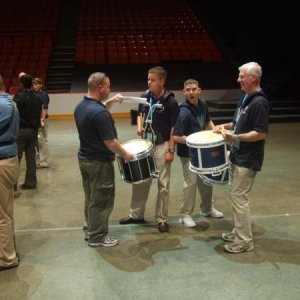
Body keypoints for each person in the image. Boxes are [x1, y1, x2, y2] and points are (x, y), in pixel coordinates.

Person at [214, 62, 270, 253]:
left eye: (241, 76)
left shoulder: (259, 102)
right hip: (238, 154)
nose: (238, 79)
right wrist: (225, 126)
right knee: (235, 195)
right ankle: (238, 231)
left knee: (240, 198)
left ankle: (244, 241)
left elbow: (261, 133)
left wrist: (235, 137)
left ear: (253, 78)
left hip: (248, 158)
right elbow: (239, 122)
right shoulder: (246, 97)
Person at [74, 72, 133, 247]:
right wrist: (125, 154)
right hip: (99, 163)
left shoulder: (81, 106)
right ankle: (98, 237)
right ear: (100, 88)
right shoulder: (100, 113)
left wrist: (111, 102)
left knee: (91, 197)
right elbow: (111, 142)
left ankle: (90, 228)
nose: (109, 88)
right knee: (102, 200)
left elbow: (97, 113)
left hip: (85, 160)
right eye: (107, 86)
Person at [119, 66, 180, 232]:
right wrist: (139, 126)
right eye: (148, 79)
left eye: (152, 80)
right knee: (141, 181)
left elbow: (174, 127)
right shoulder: (144, 97)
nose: (149, 82)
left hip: (162, 146)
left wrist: (171, 150)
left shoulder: (171, 101)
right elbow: (140, 114)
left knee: (163, 183)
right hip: (146, 145)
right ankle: (136, 215)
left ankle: (161, 219)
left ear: (162, 81)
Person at [173, 79, 223, 228]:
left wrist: (214, 131)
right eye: (188, 90)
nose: (191, 92)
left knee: (206, 181)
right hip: (188, 153)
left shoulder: (203, 104)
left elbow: (208, 122)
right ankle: (185, 214)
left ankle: (207, 209)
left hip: (204, 151)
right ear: (184, 92)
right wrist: (195, 140)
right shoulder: (182, 112)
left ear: (199, 90)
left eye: (194, 89)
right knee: (191, 183)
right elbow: (176, 136)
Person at [0, 74, 20, 271]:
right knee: (5, 212)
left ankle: (6, 258)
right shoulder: (8, 102)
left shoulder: (3, 105)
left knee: (2, 215)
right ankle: (8, 250)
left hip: (2, 162)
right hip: (7, 159)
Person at [13, 74, 43, 189]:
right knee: (31, 158)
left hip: (20, 130)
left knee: (17, 158)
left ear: (21, 84)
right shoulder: (38, 97)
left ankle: (13, 184)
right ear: (32, 84)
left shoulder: (18, 97)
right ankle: (31, 182)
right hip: (33, 130)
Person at [32, 78, 50, 168]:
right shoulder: (35, 94)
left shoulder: (43, 95)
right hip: (36, 120)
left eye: (36, 84)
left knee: (43, 141)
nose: (34, 86)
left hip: (42, 120)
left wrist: (42, 120)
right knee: (38, 141)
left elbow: (44, 108)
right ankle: (40, 159)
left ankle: (44, 162)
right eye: (33, 84)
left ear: (41, 85)